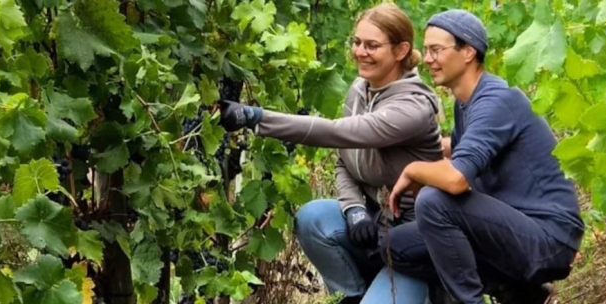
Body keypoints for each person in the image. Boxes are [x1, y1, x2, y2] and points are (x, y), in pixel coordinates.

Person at [218, 4, 444, 303]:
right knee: (313, 217)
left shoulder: (413, 106)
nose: (360, 52)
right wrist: (355, 210)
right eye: (357, 42)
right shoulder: (360, 89)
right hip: (377, 225)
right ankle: (352, 296)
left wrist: (256, 117)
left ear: (401, 50)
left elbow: (339, 133)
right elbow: (344, 158)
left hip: (415, 237)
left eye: (372, 45)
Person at [384, 9, 585, 304]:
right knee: (394, 245)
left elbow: (456, 179)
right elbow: (463, 148)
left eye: (436, 50)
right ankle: (521, 294)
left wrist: (414, 168)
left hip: (548, 239)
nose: (427, 59)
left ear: (468, 52)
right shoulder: (465, 103)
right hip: (513, 230)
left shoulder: (496, 100)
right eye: (426, 50)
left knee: (434, 201)